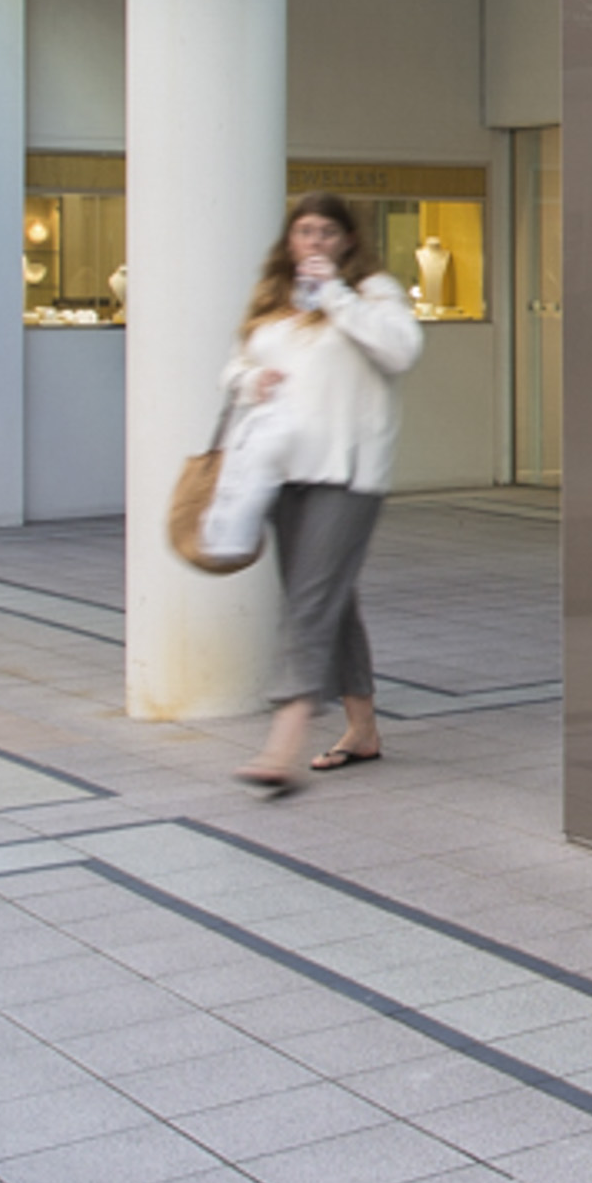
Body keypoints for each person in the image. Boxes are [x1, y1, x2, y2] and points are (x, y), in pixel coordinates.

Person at [232, 193, 422, 795]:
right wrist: (249, 379)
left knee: (311, 601)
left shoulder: (372, 294)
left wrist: (337, 294)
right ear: (289, 240)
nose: (313, 242)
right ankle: (362, 729)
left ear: (345, 240)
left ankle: (281, 742)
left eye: (325, 232)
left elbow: (402, 350)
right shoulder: (274, 302)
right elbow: (233, 366)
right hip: (284, 472)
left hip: (348, 475)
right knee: (329, 599)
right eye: (303, 231)